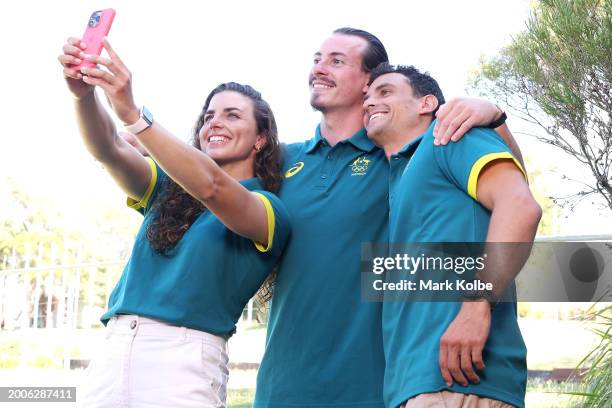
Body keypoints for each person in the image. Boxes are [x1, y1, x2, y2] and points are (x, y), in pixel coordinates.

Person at [254, 28, 526, 407]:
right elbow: (215, 187)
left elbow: (518, 200)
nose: (319, 68)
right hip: (296, 386)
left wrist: (495, 116)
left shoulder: (431, 144)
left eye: (337, 60)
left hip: (415, 384)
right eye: (317, 59)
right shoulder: (286, 162)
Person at [58, 37, 291, 407]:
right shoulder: (166, 188)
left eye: (232, 115)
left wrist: (134, 115)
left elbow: (213, 187)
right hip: (115, 347)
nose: (215, 122)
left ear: (261, 138)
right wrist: (83, 96)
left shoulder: (268, 209)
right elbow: (109, 149)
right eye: (209, 116)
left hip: (184, 362)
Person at [363, 63, 541, 408]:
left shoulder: (448, 138)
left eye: (385, 92)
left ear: (427, 103)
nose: (370, 102)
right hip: (418, 387)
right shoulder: (400, 175)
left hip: (461, 383)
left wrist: (476, 306)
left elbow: (520, 206)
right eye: (366, 97)